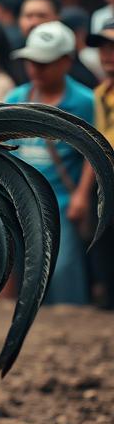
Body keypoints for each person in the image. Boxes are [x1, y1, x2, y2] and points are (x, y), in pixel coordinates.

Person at [5, 21, 95, 305]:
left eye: (45, 63)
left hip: (63, 200)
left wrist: (81, 195)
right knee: (27, 270)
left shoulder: (84, 101)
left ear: (66, 61)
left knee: (64, 267)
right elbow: (4, 148)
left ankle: (72, 325)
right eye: (32, 62)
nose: (36, 69)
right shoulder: (17, 98)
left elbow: (93, 154)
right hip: (22, 199)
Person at [88, 19, 114, 308]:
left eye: (113, 47)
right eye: (103, 48)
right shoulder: (97, 95)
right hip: (104, 186)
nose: (107, 54)